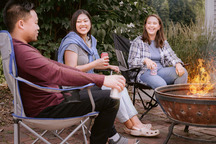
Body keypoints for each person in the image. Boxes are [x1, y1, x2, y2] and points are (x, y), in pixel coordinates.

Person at [3, 1, 139, 144]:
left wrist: (98, 78)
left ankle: (112, 138)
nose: (38, 27)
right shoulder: (24, 52)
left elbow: (55, 66)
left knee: (103, 95)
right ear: (21, 24)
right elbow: (57, 73)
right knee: (110, 99)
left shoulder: (18, 48)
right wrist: (102, 80)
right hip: (49, 108)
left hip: (52, 100)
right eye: (36, 23)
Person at [57, 9, 159, 138]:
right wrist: (95, 64)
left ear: (90, 22)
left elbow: (90, 64)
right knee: (114, 87)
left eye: (85, 21)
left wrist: (108, 66)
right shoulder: (72, 43)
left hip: (89, 82)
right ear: (74, 24)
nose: (83, 24)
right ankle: (132, 126)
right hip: (75, 89)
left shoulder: (89, 40)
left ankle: (135, 123)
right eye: (79, 22)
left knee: (118, 83)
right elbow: (70, 71)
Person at [128, 14, 188, 89]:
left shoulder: (163, 42)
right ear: (145, 25)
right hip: (145, 73)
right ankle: (167, 101)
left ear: (159, 27)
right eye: (149, 23)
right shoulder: (138, 42)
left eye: (154, 23)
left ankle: (177, 100)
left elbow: (171, 56)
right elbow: (131, 62)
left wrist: (178, 64)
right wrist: (145, 60)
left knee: (183, 72)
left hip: (160, 71)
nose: (151, 26)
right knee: (161, 85)